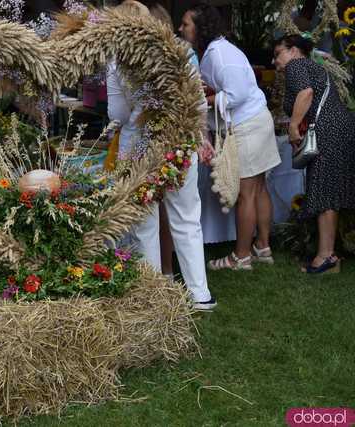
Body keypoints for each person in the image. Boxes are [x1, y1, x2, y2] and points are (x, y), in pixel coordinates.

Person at [107, 0, 216, 310]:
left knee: (144, 222)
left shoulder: (117, 60)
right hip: (178, 143)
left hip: (139, 147)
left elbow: (118, 112)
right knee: (187, 218)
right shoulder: (179, 51)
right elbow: (198, 103)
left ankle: (153, 294)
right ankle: (199, 293)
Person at [180, 4, 281, 271]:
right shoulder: (217, 51)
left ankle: (241, 257)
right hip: (256, 121)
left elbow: (236, 95)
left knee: (247, 193)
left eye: (185, 24)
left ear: (201, 28)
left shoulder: (219, 54)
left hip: (248, 126)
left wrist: (203, 98)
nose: (181, 29)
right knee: (259, 188)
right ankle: (263, 246)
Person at [273, 34, 355, 273]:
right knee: (327, 189)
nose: (275, 60)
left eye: (278, 53)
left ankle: (326, 257)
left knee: (325, 189)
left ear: (295, 51)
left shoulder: (296, 65)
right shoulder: (311, 65)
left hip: (328, 131)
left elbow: (306, 93)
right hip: (338, 128)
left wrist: (292, 127)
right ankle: (328, 255)